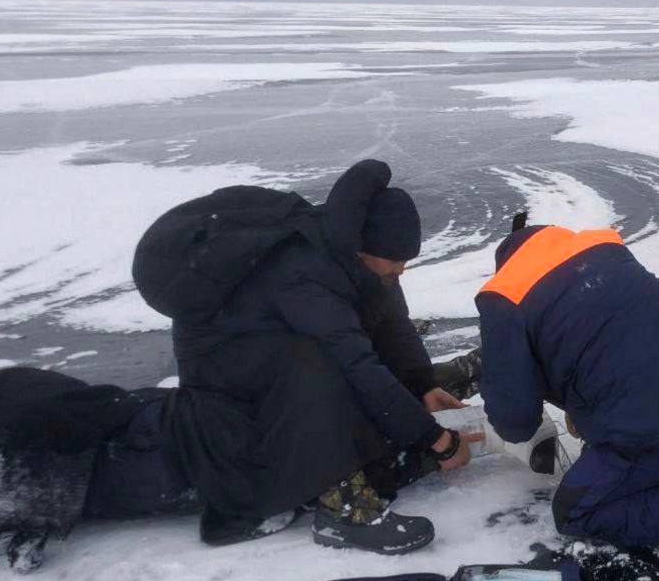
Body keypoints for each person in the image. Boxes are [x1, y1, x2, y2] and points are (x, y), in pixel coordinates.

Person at [150, 159, 483, 554]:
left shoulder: (354, 256)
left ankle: (370, 457)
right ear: (365, 250)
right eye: (396, 260)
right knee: (326, 366)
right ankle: (343, 510)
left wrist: (422, 383)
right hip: (226, 381)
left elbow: (391, 321)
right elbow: (356, 365)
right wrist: (439, 441)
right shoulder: (304, 272)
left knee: (355, 368)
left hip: (269, 364)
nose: (403, 268)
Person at [474, 217, 659, 563]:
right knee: (630, 392)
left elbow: (515, 421)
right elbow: (613, 340)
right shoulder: (600, 248)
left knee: (574, 511)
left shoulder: (502, 297)